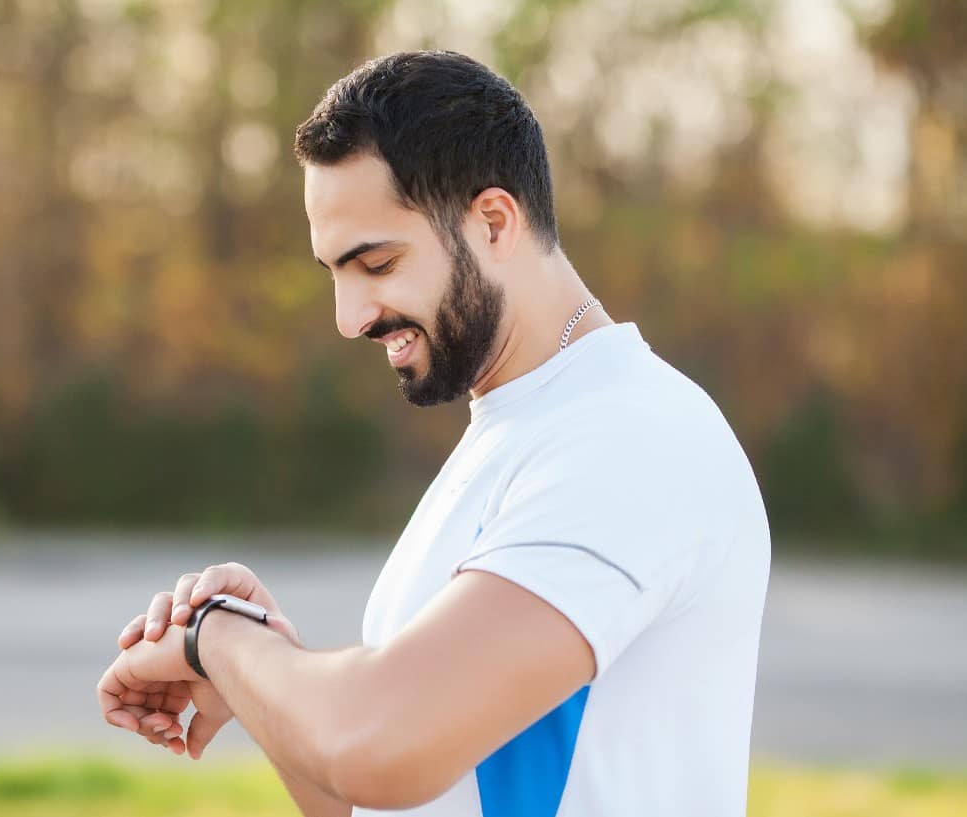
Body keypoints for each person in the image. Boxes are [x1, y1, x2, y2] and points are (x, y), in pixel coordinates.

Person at [97, 50, 771, 817]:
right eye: (334, 273)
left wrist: (219, 640)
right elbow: (376, 791)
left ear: (492, 222)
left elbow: (381, 745)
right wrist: (266, 674)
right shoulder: (518, 433)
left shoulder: (631, 440)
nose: (349, 317)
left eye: (376, 263)